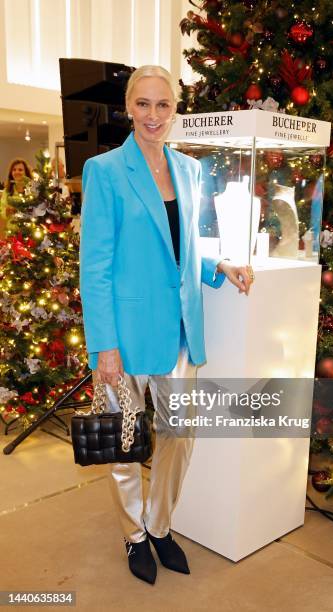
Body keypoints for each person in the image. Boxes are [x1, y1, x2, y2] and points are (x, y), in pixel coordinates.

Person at [79, 64, 255, 585]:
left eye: (163, 105)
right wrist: (103, 346)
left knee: (181, 433)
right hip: (124, 336)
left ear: (174, 111)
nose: (153, 115)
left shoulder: (190, 170)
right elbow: (96, 266)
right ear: (129, 108)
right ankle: (134, 536)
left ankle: (159, 526)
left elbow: (182, 249)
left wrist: (217, 265)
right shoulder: (105, 170)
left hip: (178, 331)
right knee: (123, 444)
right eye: (144, 104)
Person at [0, 158, 33, 237]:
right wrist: (7, 211)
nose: (17, 172)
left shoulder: (32, 190)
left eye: (20, 170)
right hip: (12, 233)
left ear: (26, 173)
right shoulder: (7, 191)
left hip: (30, 232)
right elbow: (2, 210)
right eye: (14, 170)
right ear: (11, 173)